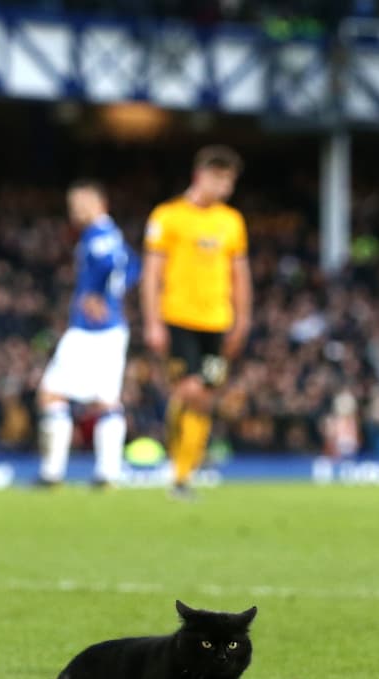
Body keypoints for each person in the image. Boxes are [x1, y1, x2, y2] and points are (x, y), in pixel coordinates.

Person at [141, 146, 252, 500]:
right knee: (188, 390)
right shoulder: (168, 216)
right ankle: (178, 466)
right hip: (178, 318)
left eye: (230, 181)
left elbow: (240, 273)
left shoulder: (232, 221)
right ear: (200, 176)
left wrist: (243, 319)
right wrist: (152, 322)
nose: (226, 187)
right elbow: (151, 272)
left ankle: (184, 476)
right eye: (220, 178)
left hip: (217, 321)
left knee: (205, 397)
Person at [37, 180, 138, 487]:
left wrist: (98, 295)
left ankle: (52, 473)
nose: (76, 211)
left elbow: (112, 265)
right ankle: (108, 473)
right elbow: (133, 266)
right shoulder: (112, 234)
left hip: (90, 329)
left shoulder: (98, 236)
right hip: (111, 328)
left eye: (81, 204)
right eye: (72, 205)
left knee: (51, 392)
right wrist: (115, 295)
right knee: (106, 399)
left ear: (100, 203)